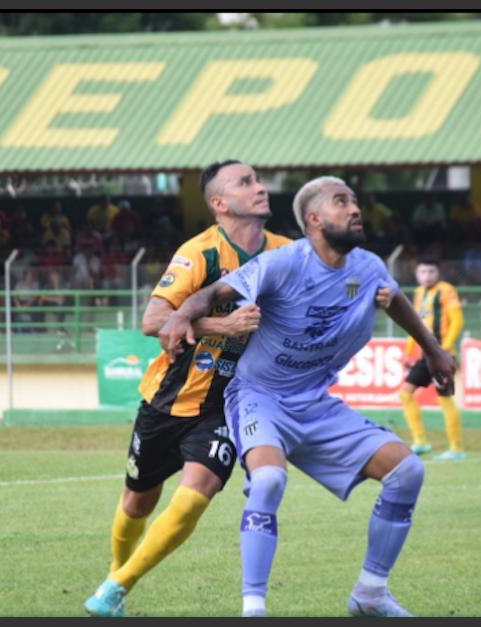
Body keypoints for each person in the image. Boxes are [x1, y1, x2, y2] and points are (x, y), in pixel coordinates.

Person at [158, 176, 456, 617]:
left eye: (354, 201)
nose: (355, 209)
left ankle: (371, 593)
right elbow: (214, 292)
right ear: (314, 219)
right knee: (268, 481)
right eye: (341, 202)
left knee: (407, 471)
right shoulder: (284, 263)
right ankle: (254, 609)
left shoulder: (368, 267)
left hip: (314, 402)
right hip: (259, 396)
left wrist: (434, 352)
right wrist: (181, 314)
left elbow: (394, 301)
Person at [84, 160, 292, 617]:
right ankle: (118, 576)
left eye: (258, 180)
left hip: (231, 401)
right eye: (246, 182)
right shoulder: (200, 252)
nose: (260, 187)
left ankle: (116, 587)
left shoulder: (285, 252)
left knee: (197, 492)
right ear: (220, 203)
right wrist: (224, 326)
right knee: (137, 501)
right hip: (170, 397)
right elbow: (154, 321)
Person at [398, 259, 467, 461]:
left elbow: (457, 320)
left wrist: (444, 349)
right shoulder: (419, 293)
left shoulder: (446, 290)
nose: (427, 276)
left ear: (438, 273)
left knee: (444, 398)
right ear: (416, 274)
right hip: (424, 356)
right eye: (423, 272)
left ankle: (456, 448)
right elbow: (416, 325)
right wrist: (408, 351)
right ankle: (420, 441)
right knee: (405, 394)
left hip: (441, 356)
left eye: (431, 271)